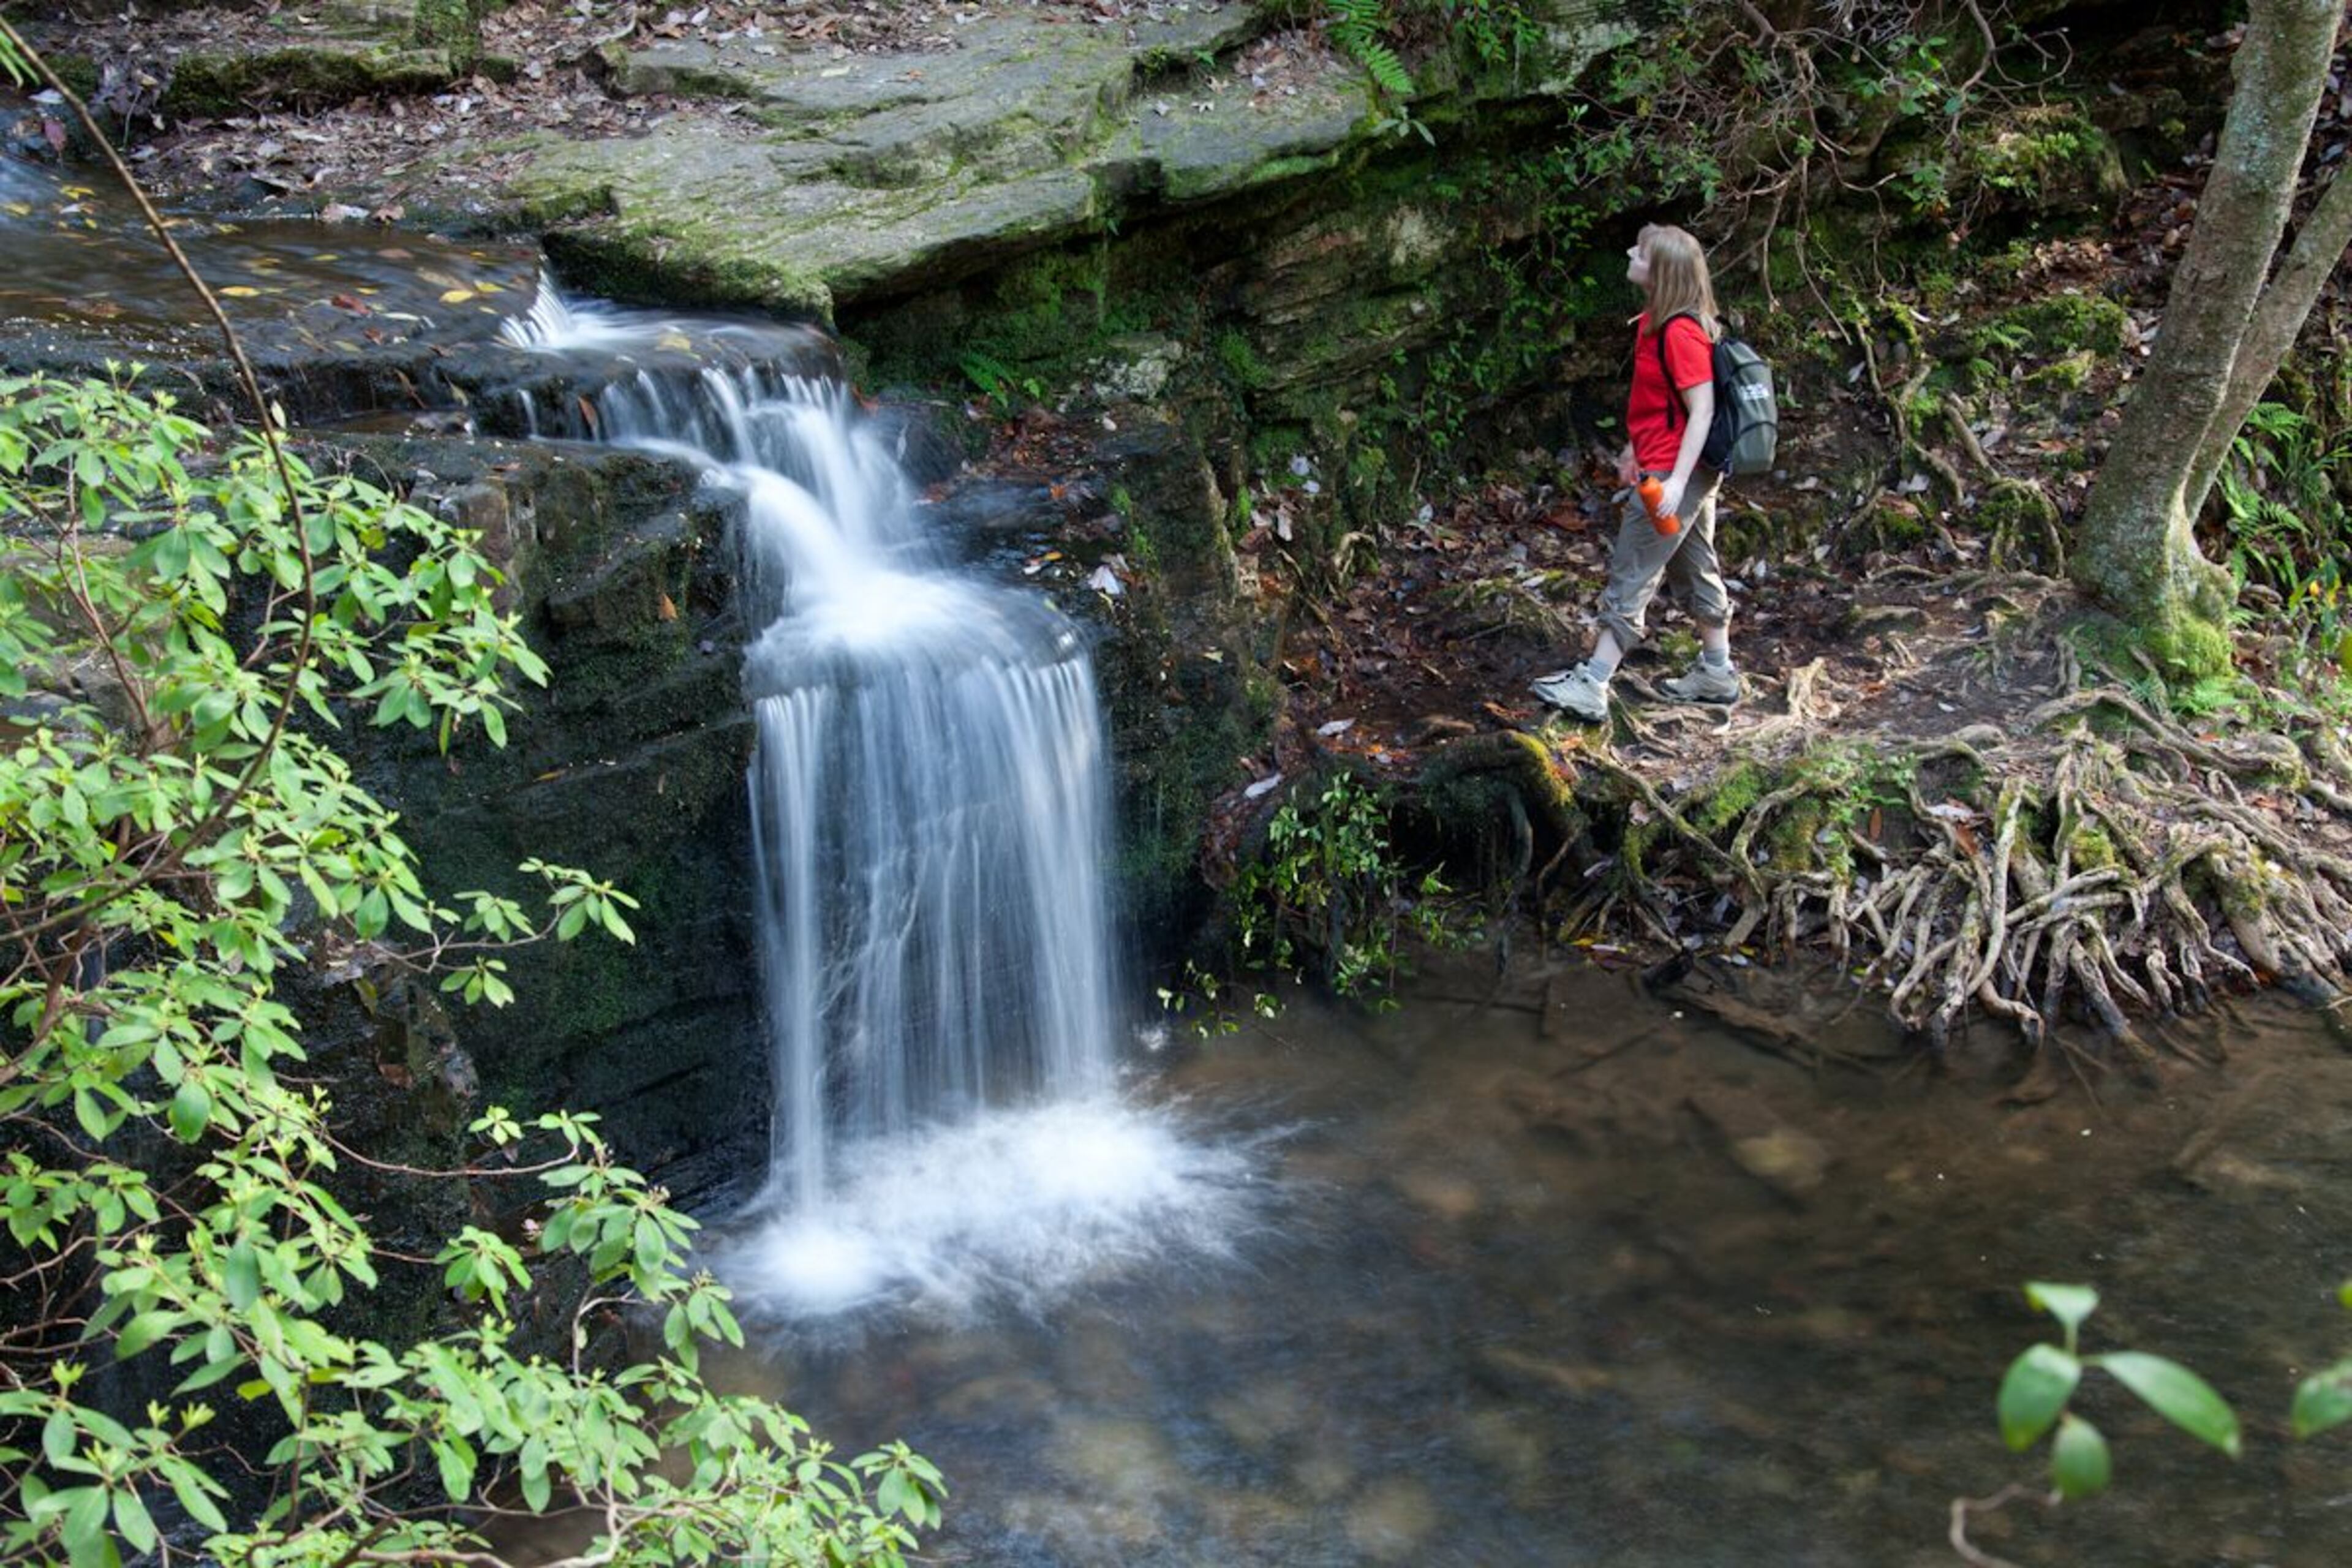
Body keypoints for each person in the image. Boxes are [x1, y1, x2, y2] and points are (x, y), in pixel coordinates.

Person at [1532, 223, 1741, 720]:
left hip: (1677, 474)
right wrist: (1634, 448)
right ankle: (1717, 673)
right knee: (1694, 565)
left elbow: (1703, 410)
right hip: (1670, 466)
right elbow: (1659, 402)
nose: (1631, 253)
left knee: (1634, 567)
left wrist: (1672, 483)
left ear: (1662, 272)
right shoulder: (1658, 322)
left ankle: (1593, 683)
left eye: (1641, 253)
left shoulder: (1680, 333)